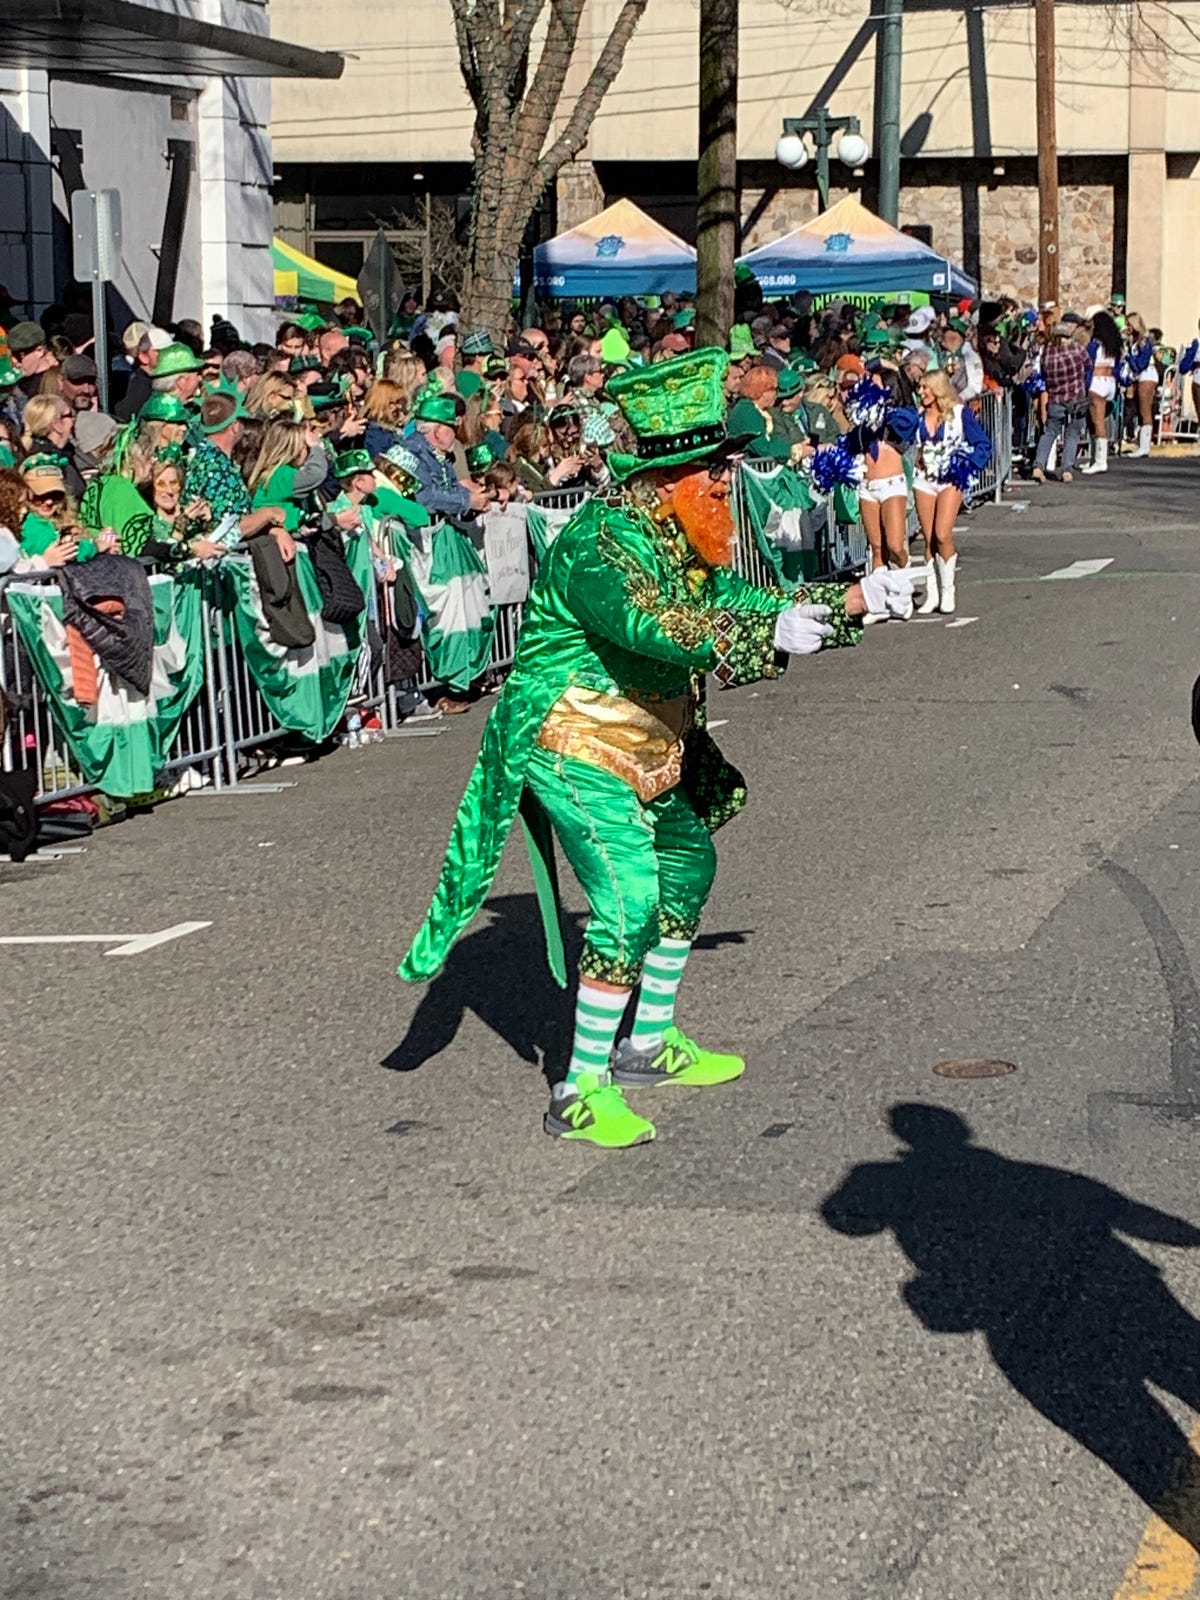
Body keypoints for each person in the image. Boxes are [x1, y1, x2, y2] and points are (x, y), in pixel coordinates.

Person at [398, 346, 913, 1146]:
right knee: (630, 897)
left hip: (646, 737)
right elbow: (653, 624)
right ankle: (579, 1088)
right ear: (661, 480)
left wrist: (851, 596)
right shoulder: (601, 542)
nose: (723, 485)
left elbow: (737, 595)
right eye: (711, 474)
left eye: (724, 472)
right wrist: (760, 632)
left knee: (687, 865)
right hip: (568, 735)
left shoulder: (679, 535)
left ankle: (648, 1043)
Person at [912, 368, 992, 615]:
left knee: (942, 533)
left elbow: (983, 444)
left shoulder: (959, 413)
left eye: (926, 387)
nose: (921, 392)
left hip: (951, 479)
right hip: (924, 480)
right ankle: (932, 593)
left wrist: (967, 465)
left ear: (938, 389)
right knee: (928, 538)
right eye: (920, 387)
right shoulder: (917, 415)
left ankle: (949, 590)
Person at [407, 391, 487, 518]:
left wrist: (479, 498)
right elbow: (424, 496)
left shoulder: (442, 455)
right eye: (453, 428)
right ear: (438, 431)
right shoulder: (412, 453)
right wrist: (467, 501)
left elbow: (453, 488)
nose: (456, 434)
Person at [1080, 310, 1124, 475]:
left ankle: (1100, 460)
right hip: (1110, 381)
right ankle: (1094, 458)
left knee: (1097, 422)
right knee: (1094, 421)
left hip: (1097, 383)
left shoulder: (1094, 345)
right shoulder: (1113, 345)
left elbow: (1087, 364)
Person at [1124, 313, 1158, 459]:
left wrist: (1128, 357)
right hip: (1139, 377)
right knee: (1139, 409)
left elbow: (1140, 365)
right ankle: (1142, 444)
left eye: (1129, 324)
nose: (1127, 328)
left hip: (1147, 376)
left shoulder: (1144, 341)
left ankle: (1145, 446)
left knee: (1145, 410)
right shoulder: (1134, 341)